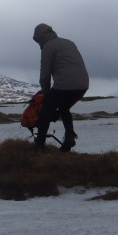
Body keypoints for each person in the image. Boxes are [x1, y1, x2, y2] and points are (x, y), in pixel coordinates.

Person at [32, 23, 89, 152]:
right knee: (64, 108)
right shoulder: (68, 42)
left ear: (41, 37)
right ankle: (69, 137)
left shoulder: (48, 47)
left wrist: (45, 95)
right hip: (82, 85)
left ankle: (39, 145)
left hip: (65, 86)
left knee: (44, 113)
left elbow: (45, 76)